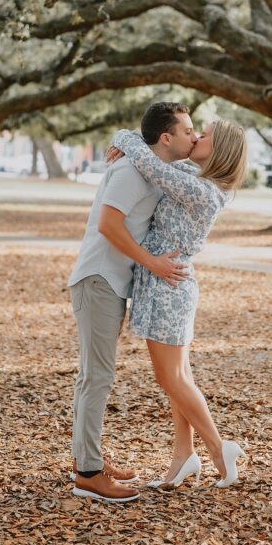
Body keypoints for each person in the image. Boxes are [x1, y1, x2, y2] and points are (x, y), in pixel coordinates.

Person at [107, 117, 249, 489]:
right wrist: (133, 141)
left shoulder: (203, 190)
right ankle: (184, 455)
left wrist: (124, 137)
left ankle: (219, 449)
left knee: (169, 377)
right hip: (167, 281)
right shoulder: (195, 177)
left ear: (219, 150)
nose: (197, 138)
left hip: (168, 286)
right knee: (179, 378)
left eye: (205, 136)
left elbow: (151, 164)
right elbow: (159, 157)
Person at [66, 101, 193, 503]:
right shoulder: (131, 169)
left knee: (95, 375)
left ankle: (90, 459)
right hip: (98, 278)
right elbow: (107, 224)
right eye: (188, 130)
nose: (194, 136)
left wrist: (124, 138)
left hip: (111, 283)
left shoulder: (151, 167)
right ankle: (88, 473)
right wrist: (152, 263)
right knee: (96, 377)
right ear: (166, 137)